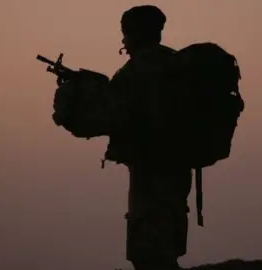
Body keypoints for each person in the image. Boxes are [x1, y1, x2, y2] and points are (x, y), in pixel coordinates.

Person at [52, 5, 191, 270]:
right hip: (176, 168)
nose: (124, 40)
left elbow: (106, 119)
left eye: (125, 33)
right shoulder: (173, 64)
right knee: (165, 247)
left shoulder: (137, 72)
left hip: (150, 169)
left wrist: (70, 103)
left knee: (149, 254)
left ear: (135, 34)